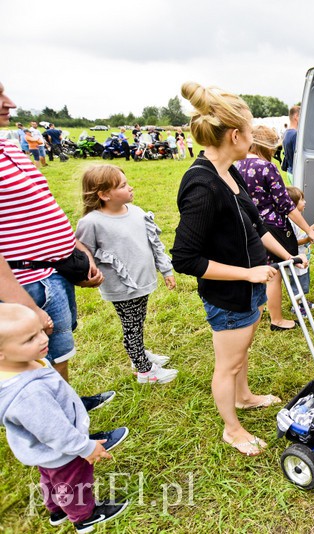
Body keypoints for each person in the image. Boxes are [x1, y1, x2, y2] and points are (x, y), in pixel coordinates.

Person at [171, 81, 294, 456]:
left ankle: (244, 397)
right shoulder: (202, 185)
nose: (253, 137)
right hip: (228, 293)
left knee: (241, 353)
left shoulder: (229, 171)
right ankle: (232, 429)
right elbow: (185, 259)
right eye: (250, 130)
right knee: (227, 363)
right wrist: (247, 274)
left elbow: (257, 226)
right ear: (235, 135)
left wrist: (286, 257)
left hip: (250, 287)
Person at [0, 81, 113, 412]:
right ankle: (61, 424)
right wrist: (27, 308)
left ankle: (67, 405)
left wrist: (78, 251)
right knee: (34, 355)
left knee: (58, 350)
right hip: (26, 281)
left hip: (51, 273)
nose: (11, 102)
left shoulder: (8, 145)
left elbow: (38, 208)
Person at [0, 303, 130, 532]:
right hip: (62, 450)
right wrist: (84, 447)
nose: (43, 339)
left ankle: (56, 510)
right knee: (74, 482)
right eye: (30, 339)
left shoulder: (22, 364)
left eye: (40, 331)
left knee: (51, 478)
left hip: (44, 451)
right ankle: (84, 516)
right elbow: (54, 430)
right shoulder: (29, 394)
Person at [75, 164, 179, 385]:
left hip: (142, 280)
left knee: (138, 321)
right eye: (122, 186)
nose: (130, 187)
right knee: (131, 325)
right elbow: (83, 254)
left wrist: (166, 270)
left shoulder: (137, 212)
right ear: (104, 195)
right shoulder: (92, 222)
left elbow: (154, 243)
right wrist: (88, 275)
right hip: (122, 287)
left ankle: (138, 353)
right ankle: (144, 370)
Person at [235, 125, 314, 331]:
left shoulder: (237, 164)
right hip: (271, 229)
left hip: (245, 226)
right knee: (274, 273)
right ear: (266, 146)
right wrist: (309, 230)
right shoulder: (266, 167)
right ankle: (277, 319)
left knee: (256, 270)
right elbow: (286, 205)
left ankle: (255, 310)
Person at [286, 186, 314, 317]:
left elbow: (303, 233)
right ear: (293, 204)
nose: (305, 202)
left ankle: (302, 302)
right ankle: (296, 307)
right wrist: (309, 238)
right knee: (297, 284)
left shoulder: (297, 220)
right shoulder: (290, 222)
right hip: (296, 259)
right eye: (302, 199)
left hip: (303, 258)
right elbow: (294, 241)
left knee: (303, 282)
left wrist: (313, 227)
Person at [281, 105, 300, 184]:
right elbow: (297, 156)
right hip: (295, 173)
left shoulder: (286, 132)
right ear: (296, 116)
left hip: (289, 172)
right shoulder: (295, 134)